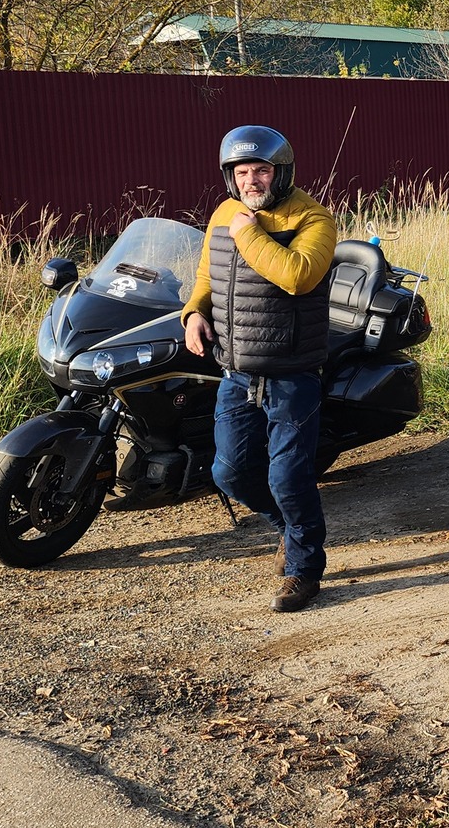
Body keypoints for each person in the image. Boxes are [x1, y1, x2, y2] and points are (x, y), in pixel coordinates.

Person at [179, 126, 339, 612]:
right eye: (242, 172)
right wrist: (193, 312)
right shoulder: (225, 212)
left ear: (282, 171)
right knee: (228, 472)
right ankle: (291, 533)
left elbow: (297, 276)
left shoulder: (313, 218)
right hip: (237, 368)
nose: (252, 180)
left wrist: (249, 232)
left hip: (291, 373)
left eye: (261, 170)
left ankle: (304, 570)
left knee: (288, 479)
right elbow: (209, 272)